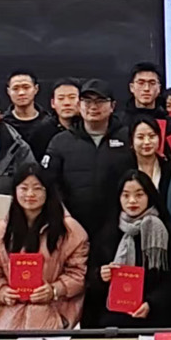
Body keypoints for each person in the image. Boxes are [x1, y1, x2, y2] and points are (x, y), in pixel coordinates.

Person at [0, 164, 89, 330]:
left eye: (37, 188)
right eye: (24, 188)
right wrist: (2, 291)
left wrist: (55, 290)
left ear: (48, 191)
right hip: (10, 320)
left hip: (53, 319)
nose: (30, 194)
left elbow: (78, 273)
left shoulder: (70, 230)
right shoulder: (1, 231)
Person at [42, 80, 134, 240]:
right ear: (79, 105)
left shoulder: (128, 138)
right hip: (71, 226)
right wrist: (64, 216)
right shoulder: (60, 142)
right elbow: (49, 183)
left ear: (112, 106)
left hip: (119, 226)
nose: (93, 107)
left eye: (100, 101)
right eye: (87, 101)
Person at [88, 170, 171, 327]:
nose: (132, 201)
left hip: (154, 316)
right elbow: (90, 277)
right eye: (126, 195)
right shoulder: (108, 232)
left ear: (149, 196)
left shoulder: (165, 231)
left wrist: (152, 303)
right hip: (113, 317)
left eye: (139, 195)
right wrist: (100, 275)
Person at [128, 116, 171, 204]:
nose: (147, 142)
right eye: (140, 137)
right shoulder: (123, 168)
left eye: (152, 136)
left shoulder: (170, 168)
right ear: (131, 141)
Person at [31, 78, 82, 159]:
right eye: (61, 98)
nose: (66, 103)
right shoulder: (41, 132)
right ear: (53, 103)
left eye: (72, 97)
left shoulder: (90, 129)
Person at [3, 71, 46, 151]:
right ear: (8, 91)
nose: (21, 93)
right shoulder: (2, 125)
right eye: (15, 88)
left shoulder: (50, 122)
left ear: (36, 89)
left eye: (26, 87)